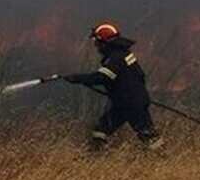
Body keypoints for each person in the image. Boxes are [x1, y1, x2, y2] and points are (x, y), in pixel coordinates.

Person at [64, 22, 161, 151]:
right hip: (126, 102)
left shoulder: (116, 58)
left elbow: (102, 77)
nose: (96, 46)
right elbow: (139, 76)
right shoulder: (123, 54)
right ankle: (95, 155)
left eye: (97, 42)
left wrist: (76, 78)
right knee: (101, 128)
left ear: (104, 42)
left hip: (132, 104)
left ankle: (162, 157)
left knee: (148, 135)